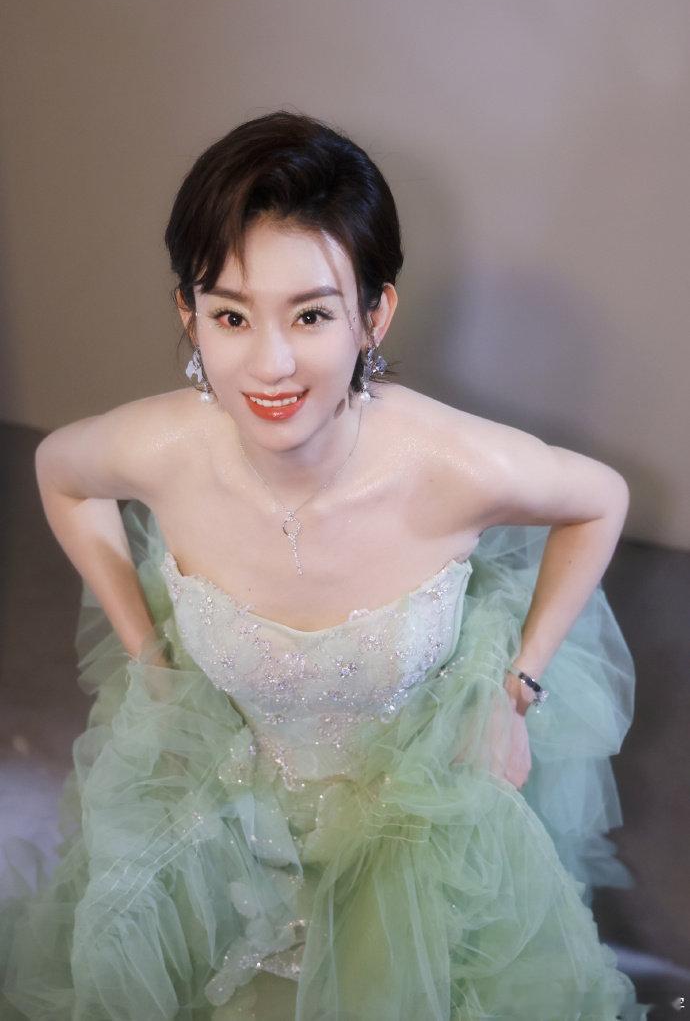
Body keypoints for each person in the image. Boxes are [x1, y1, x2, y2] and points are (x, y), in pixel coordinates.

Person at [1, 110, 651, 1019]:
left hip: (413, 831)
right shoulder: (163, 449)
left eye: (310, 314)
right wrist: (148, 654)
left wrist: (519, 688)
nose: (269, 365)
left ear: (373, 315)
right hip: (227, 815)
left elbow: (599, 498)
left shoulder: (447, 465)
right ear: (189, 313)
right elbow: (59, 472)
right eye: (231, 315)